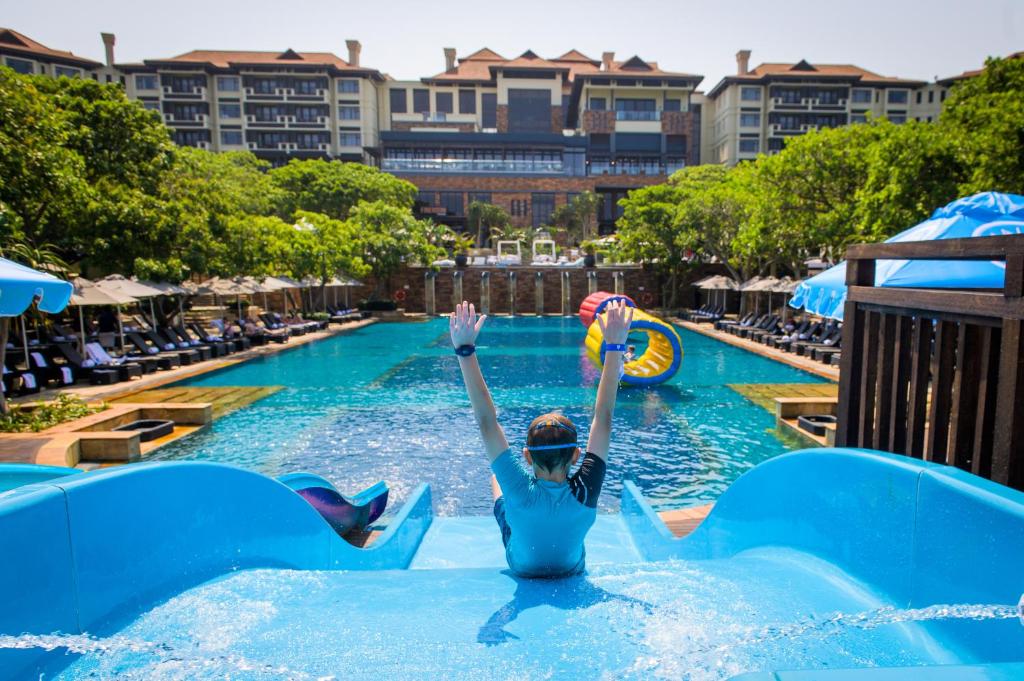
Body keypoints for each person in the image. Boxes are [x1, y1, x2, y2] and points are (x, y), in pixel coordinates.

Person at [450, 299, 633, 578]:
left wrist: (465, 351)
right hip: (570, 569)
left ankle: (501, 489)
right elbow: (604, 418)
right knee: (509, 493)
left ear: (527, 456)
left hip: (522, 567)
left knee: (501, 492)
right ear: (576, 455)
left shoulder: (520, 489)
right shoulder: (586, 489)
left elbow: (487, 422)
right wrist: (616, 347)